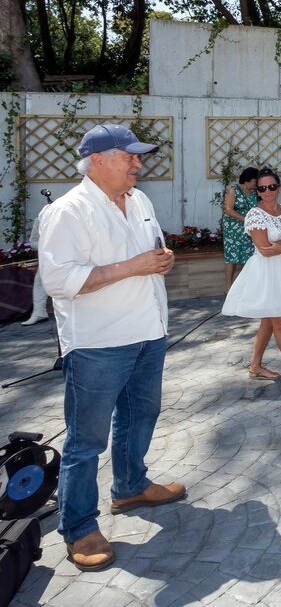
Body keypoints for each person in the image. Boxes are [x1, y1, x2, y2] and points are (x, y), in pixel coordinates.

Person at [38, 124, 185, 572]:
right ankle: (79, 527)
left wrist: (162, 260)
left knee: (142, 414)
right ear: (98, 160)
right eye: (130, 157)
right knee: (86, 441)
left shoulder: (139, 200)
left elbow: (150, 252)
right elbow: (59, 282)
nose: (139, 164)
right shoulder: (68, 211)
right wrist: (134, 266)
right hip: (98, 343)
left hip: (149, 331)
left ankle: (129, 485)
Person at [222, 167, 281, 387]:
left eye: (272, 187)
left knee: (268, 321)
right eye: (262, 188)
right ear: (257, 191)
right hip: (265, 273)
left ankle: (255, 366)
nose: (268, 191)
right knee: (280, 322)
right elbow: (266, 248)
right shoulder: (254, 215)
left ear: (280, 187)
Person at [222, 166, 259, 288]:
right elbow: (228, 210)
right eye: (255, 181)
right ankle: (228, 286)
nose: (256, 184)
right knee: (232, 256)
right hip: (233, 228)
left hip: (248, 228)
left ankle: (245, 286)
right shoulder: (233, 190)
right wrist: (246, 219)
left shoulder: (254, 192)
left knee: (247, 255)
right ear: (248, 179)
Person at [22, 202, 51, 325]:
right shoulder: (39, 220)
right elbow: (33, 242)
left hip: (70, 256)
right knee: (39, 281)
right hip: (48, 257)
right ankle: (39, 312)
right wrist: (46, 245)